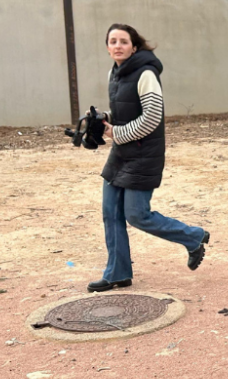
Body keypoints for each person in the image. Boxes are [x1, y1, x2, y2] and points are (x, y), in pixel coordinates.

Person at [89, 24, 209, 294]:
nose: (118, 45)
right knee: (110, 213)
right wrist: (103, 119)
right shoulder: (115, 73)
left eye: (123, 41)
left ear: (134, 46)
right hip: (121, 152)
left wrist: (116, 132)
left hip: (143, 154)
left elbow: (152, 118)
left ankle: (193, 236)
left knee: (137, 215)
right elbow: (126, 110)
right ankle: (117, 273)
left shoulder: (146, 73)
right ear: (107, 47)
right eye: (113, 41)